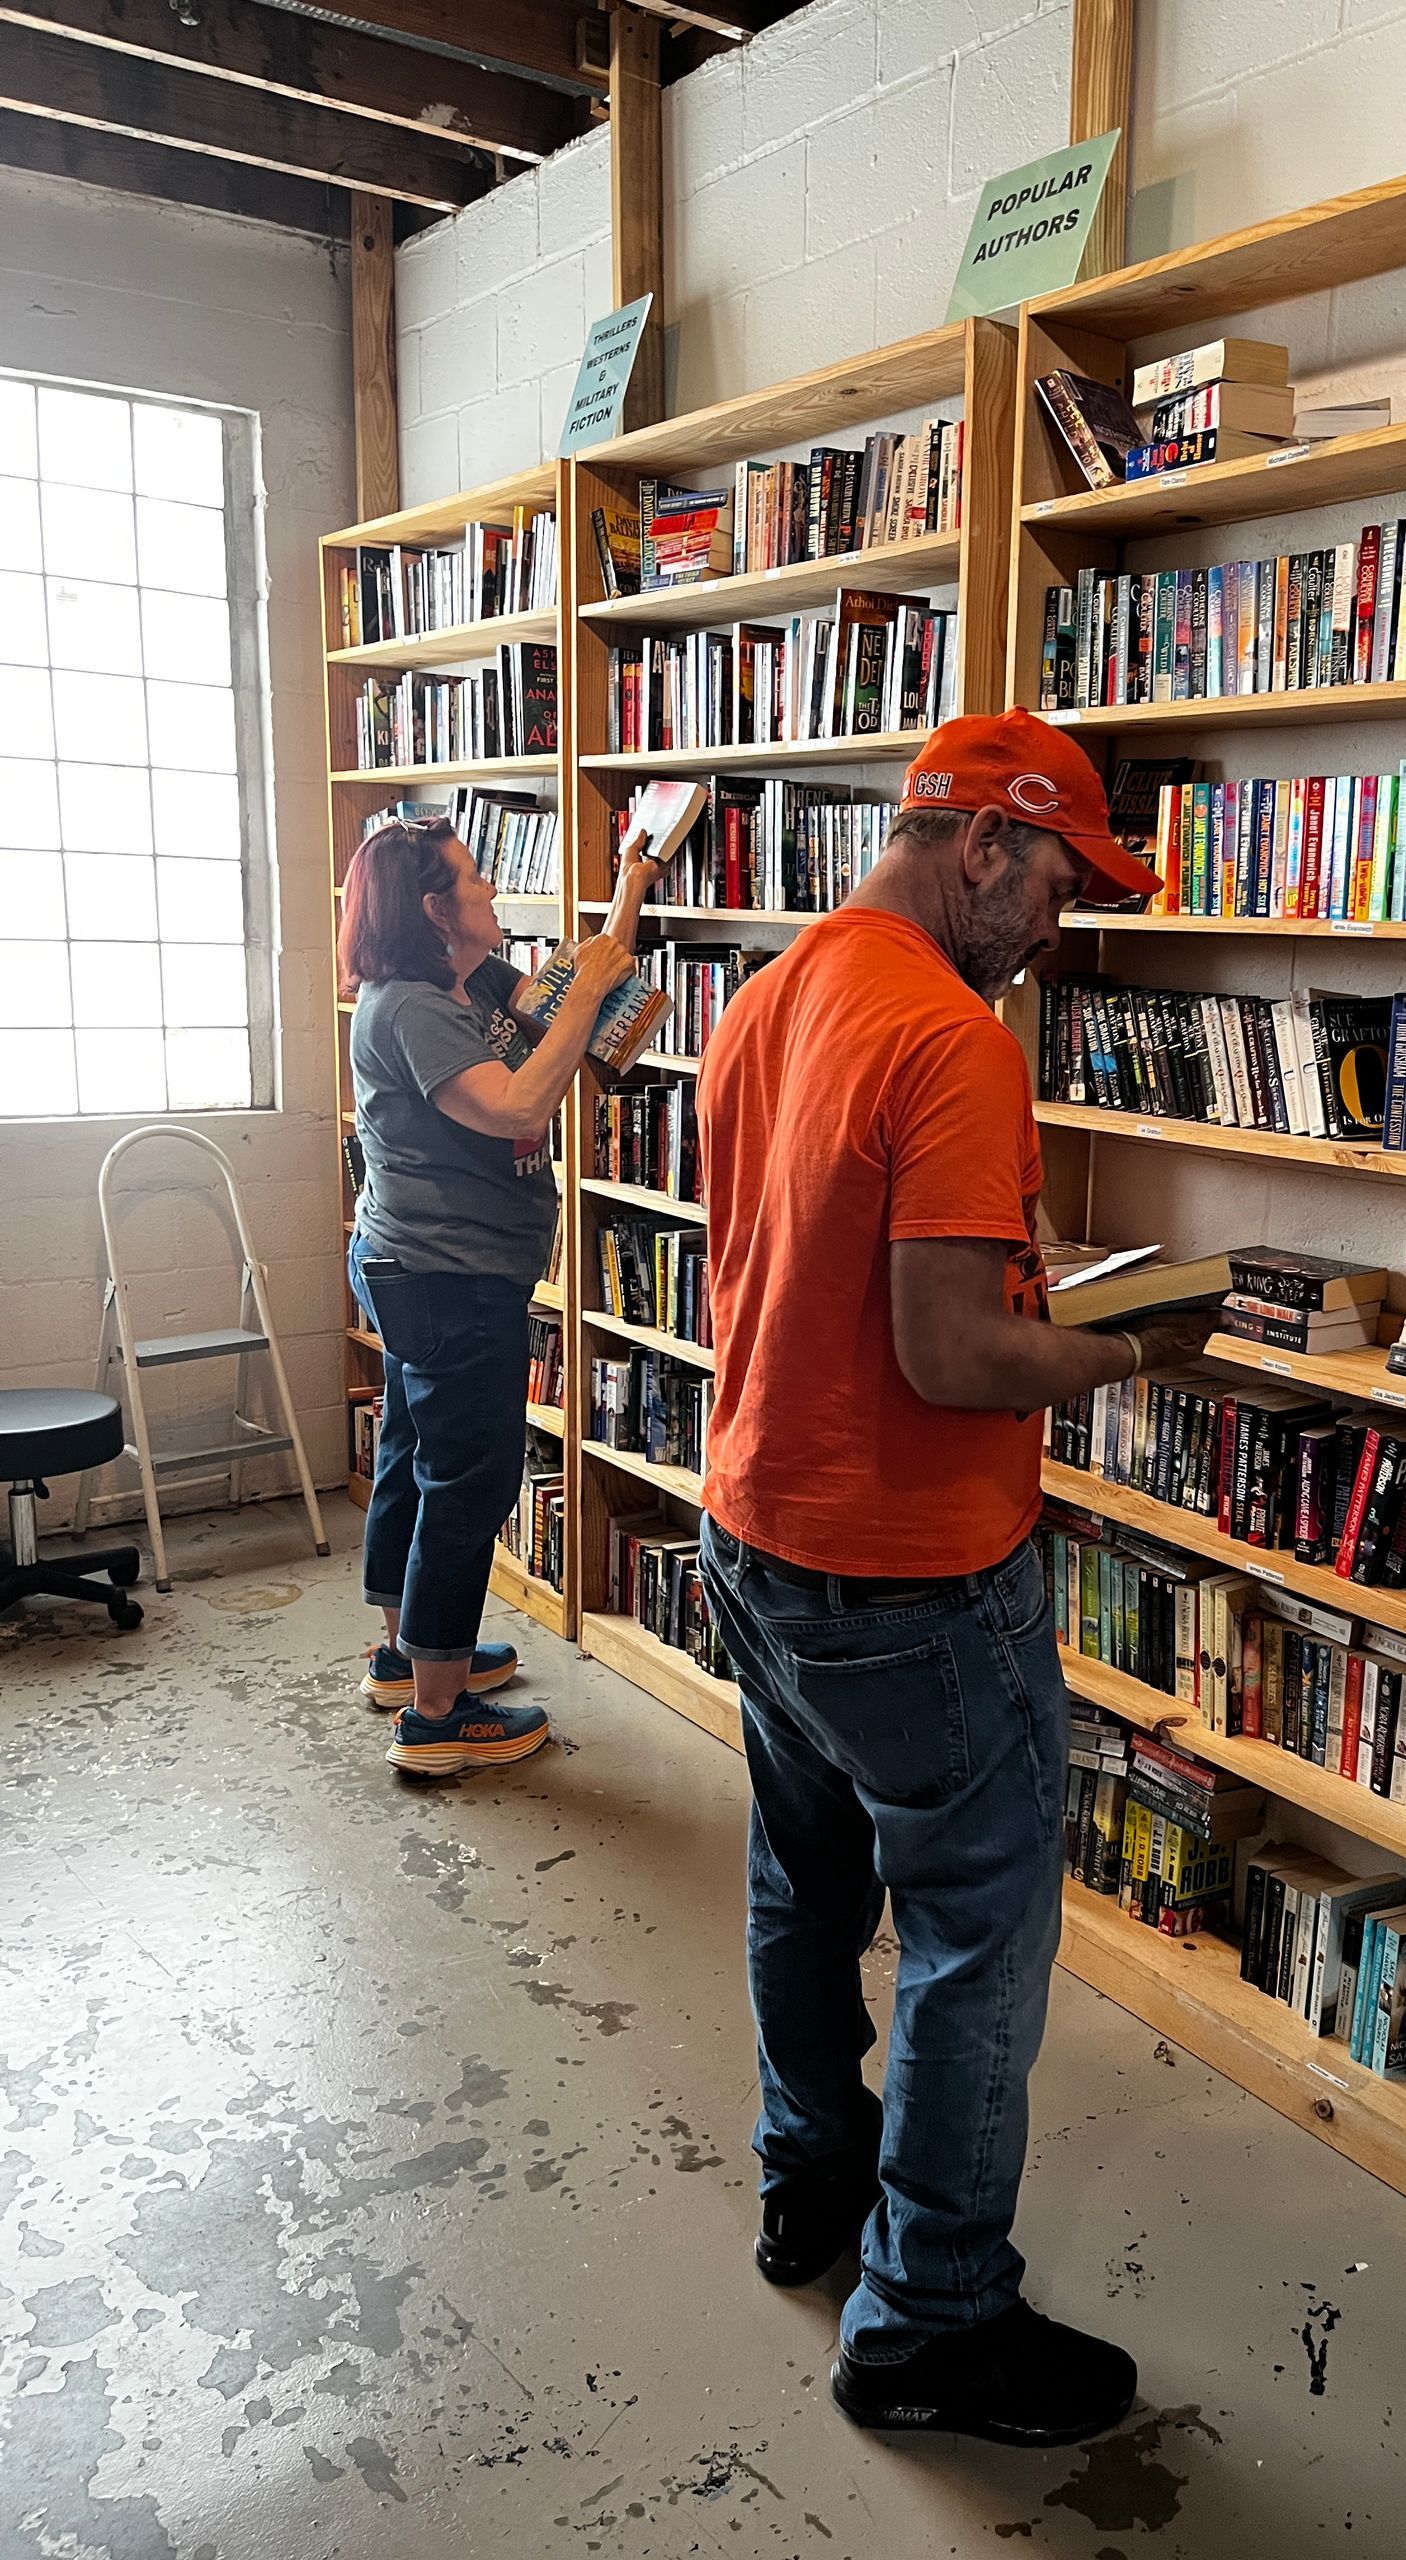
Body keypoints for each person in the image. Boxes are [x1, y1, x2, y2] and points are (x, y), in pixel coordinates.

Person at [696, 708, 1214, 2449]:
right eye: (1057, 883)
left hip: (754, 1525)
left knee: (803, 1882)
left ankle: (810, 2190)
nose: (1056, 929)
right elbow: (944, 1350)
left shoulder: (766, 997)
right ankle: (930, 2322)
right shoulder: (956, 1040)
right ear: (984, 844)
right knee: (976, 1942)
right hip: (910, 1572)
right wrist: (1116, 1354)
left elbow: (797, 1273)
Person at [339, 816, 663, 1775]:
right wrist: (590, 987)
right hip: (443, 1278)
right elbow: (521, 1103)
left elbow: (603, 1019)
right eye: (474, 883)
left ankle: (410, 1656)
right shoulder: (408, 1010)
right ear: (435, 911)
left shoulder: (469, 977)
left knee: (413, 1454)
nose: (493, 895)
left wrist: (634, 891)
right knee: (466, 1482)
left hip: (432, 1269)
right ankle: (437, 1717)